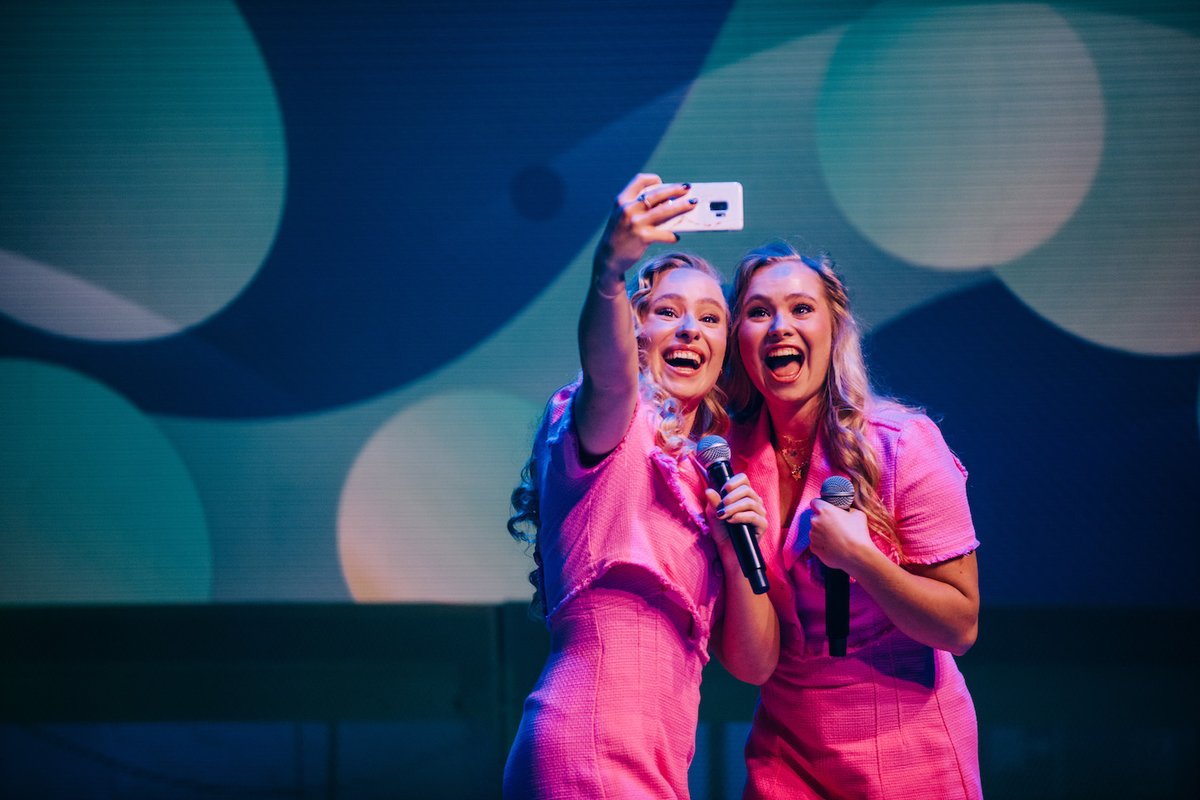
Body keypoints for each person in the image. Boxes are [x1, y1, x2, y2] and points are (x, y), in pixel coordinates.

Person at [502, 175, 778, 799]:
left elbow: (755, 664)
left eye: (711, 318)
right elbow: (610, 375)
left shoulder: (708, 473)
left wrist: (736, 553)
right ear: (635, 330)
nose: (690, 330)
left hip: (659, 759)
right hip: (587, 743)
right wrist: (609, 273)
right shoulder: (613, 422)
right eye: (668, 312)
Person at [722, 241, 982, 799]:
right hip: (786, 753)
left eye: (801, 308)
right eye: (759, 312)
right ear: (737, 338)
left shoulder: (903, 445)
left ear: (835, 328)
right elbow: (749, 663)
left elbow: (959, 627)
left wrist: (862, 559)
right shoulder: (727, 464)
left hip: (909, 751)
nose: (780, 327)